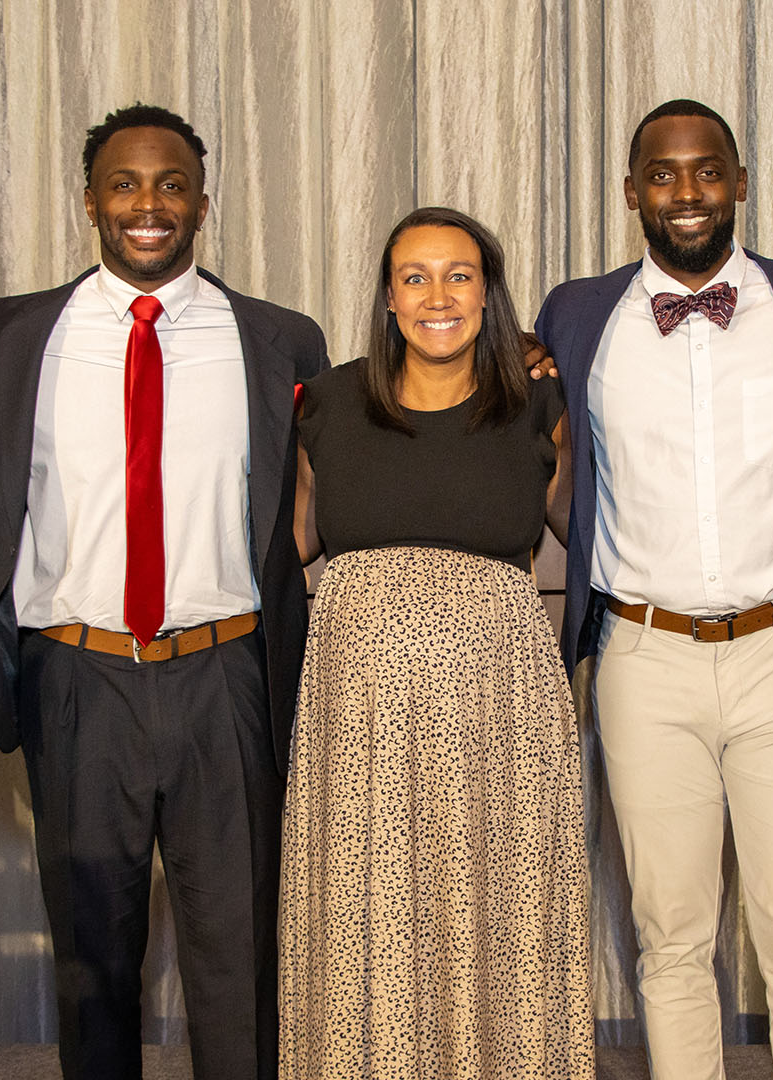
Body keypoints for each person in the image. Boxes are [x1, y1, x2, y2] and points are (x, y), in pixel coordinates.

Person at [0, 104, 327, 1080]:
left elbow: (314, 503)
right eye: (124, 183)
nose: (148, 204)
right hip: (78, 684)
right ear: (90, 200)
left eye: (170, 184)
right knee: (92, 968)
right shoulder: (10, 339)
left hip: (226, 682)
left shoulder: (281, 342)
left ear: (203, 202)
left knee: (241, 962)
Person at [534, 100, 773, 1080]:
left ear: (738, 180)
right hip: (645, 662)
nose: (686, 191)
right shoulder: (580, 314)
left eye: (706, 169)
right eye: (663, 171)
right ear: (631, 189)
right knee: (672, 940)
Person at [277, 207, 592, 1079]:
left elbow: (598, 527)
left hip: (501, 707)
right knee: (365, 909)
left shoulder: (541, 402)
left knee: (494, 907)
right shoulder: (329, 401)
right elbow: (290, 539)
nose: (438, 295)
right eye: (414, 276)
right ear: (387, 298)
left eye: (459, 274)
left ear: (488, 293)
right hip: (359, 712)